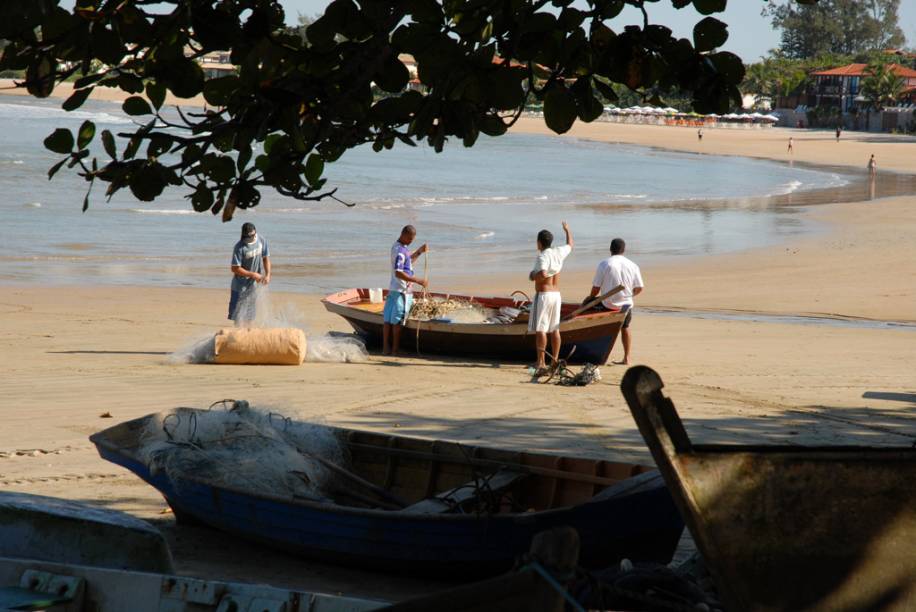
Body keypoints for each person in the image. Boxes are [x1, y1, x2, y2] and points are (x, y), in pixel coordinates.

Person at [587, 238, 644, 365]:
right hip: (626, 305)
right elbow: (640, 288)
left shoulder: (605, 264)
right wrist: (629, 295)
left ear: (610, 249)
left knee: (595, 322)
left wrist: (590, 298)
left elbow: (596, 289)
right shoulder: (633, 265)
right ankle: (627, 358)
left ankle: (594, 353)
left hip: (608, 304)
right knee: (625, 327)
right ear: (624, 250)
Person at [528, 221, 573, 375]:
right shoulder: (558, 251)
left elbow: (543, 274)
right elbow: (570, 244)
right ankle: (554, 360)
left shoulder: (542, 256)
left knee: (541, 329)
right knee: (554, 329)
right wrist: (567, 230)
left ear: (539, 242)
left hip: (544, 295)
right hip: (556, 295)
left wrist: (532, 275)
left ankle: (540, 362)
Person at [382, 225, 428, 356]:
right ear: (403, 235)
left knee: (388, 319)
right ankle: (394, 350)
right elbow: (399, 272)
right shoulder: (401, 251)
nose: (410, 241)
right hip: (402, 290)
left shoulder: (399, 247)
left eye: (412, 240)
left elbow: (408, 264)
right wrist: (418, 281)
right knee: (397, 321)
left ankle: (386, 348)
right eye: (409, 239)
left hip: (394, 288)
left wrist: (419, 251)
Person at [229, 222, 270, 325]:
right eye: (247, 236)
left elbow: (266, 258)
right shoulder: (239, 247)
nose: (250, 238)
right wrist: (253, 274)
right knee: (238, 316)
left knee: (250, 316)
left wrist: (268, 274)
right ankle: (238, 336)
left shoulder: (261, 241)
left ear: (255, 233)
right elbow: (235, 268)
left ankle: (248, 334)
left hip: (254, 286)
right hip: (239, 287)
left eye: (252, 235)